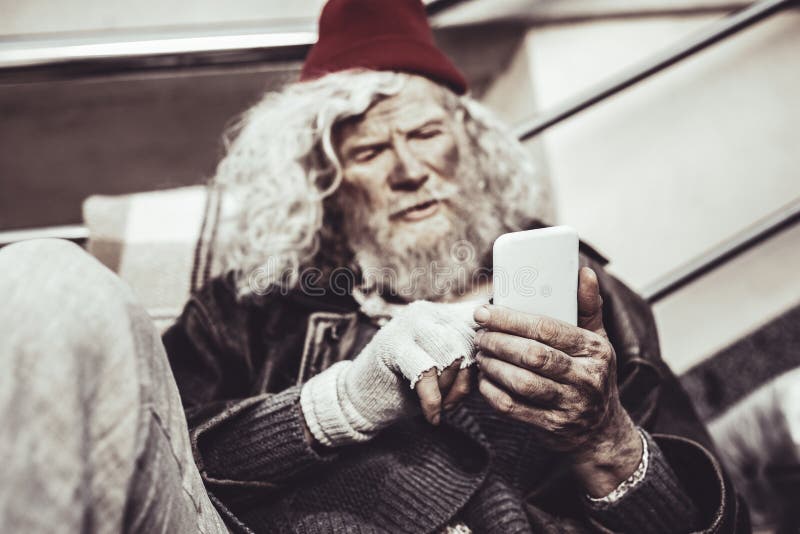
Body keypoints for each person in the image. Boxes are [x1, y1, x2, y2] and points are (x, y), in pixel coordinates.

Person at [0, 0, 748, 532]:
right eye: (367, 151)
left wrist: (602, 438)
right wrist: (340, 405)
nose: (409, 169)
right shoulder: (257, 305)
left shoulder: (593, 299)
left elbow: (712, 525)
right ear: (328, 184)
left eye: (426, 133)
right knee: (44, 271)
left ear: (472, 146)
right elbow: (158, 451)